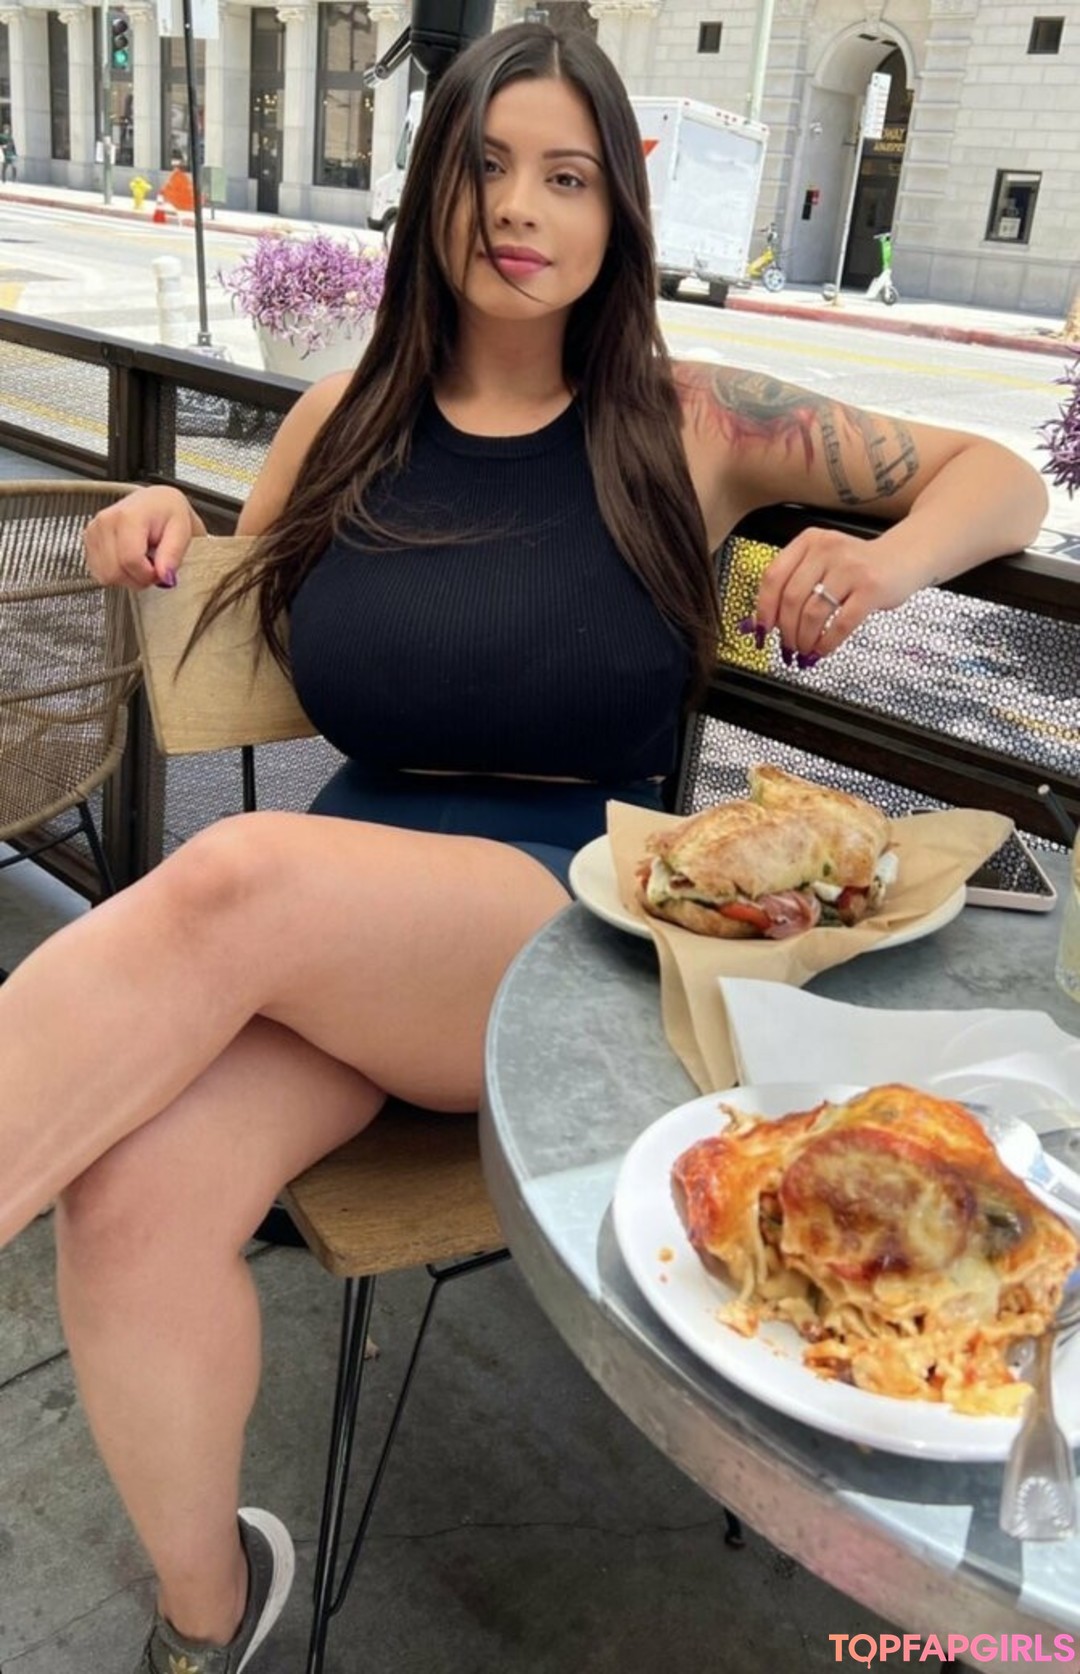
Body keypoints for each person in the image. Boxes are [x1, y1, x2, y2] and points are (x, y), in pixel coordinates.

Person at [1, 21, 1047, 1674]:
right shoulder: (349, 414)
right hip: (339, 945)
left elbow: (1002, 480)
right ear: (433, 188)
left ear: (617, 212)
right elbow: (240, 584)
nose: (518, 208)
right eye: (485, 167)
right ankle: (212, 1620)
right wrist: (162, 521)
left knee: (233, 877)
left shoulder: (691, 419)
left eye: (566, 176)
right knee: (126, 1198)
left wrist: (887, 555)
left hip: (568, 922)